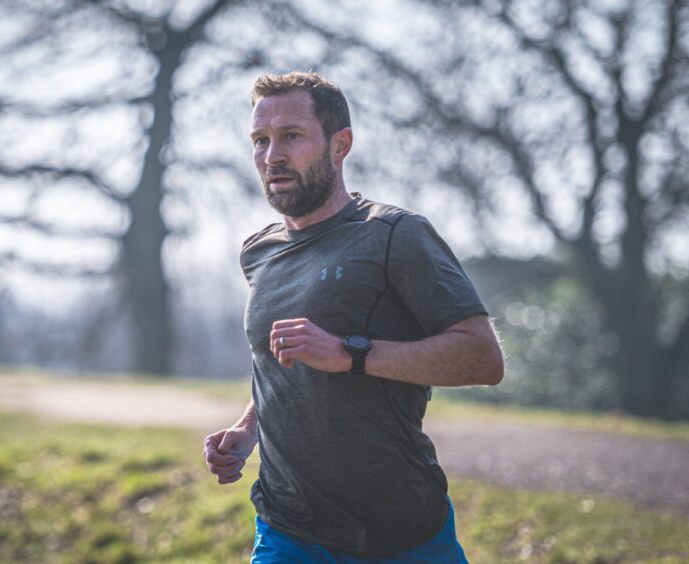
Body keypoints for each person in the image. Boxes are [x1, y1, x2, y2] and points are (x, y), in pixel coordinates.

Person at [203, 71, 504, 563]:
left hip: (402, 531)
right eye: (260, 140)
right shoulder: (258, 252)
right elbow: (279, 366)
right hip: (288, 529)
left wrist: (350, 353)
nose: (271, 156)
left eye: (291, 136)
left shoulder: (393, 235)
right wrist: (247, 429)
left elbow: (482, 359)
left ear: (340, 144)